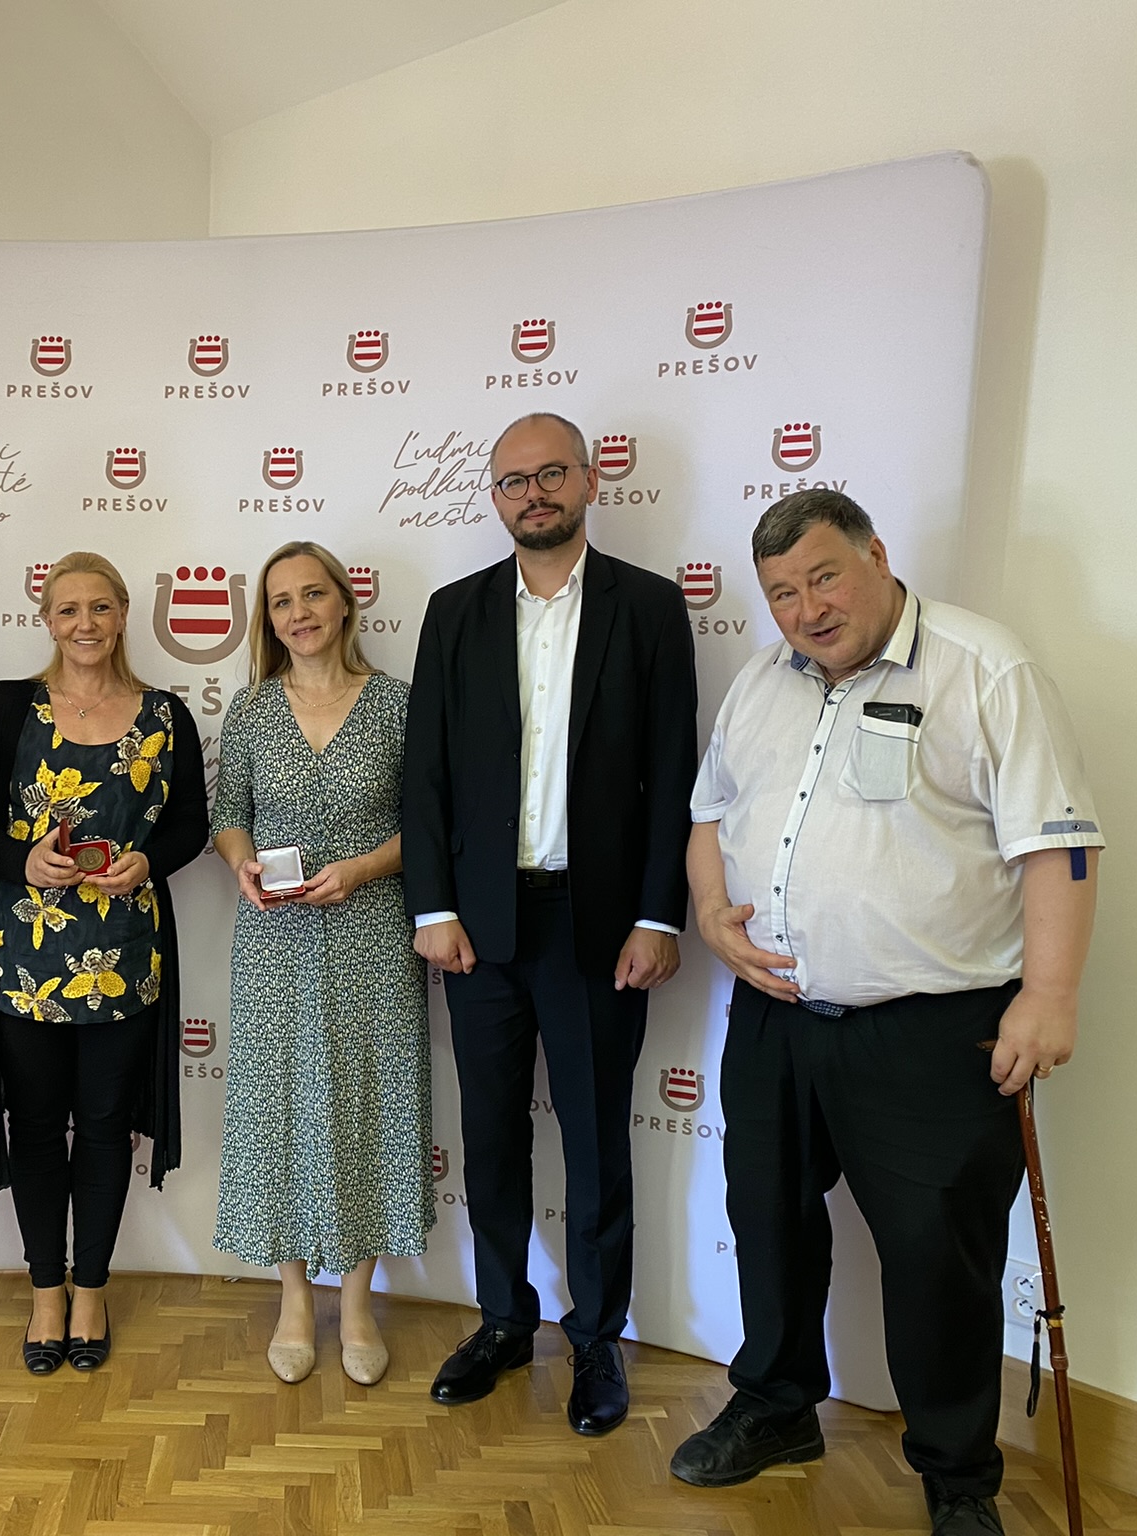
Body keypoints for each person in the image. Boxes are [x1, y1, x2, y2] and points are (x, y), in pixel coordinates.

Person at [672, 490, 1102, 1536]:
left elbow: (1057, 845)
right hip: (774, 1017)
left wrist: (1048, 995)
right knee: (767, 1222)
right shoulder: (760, 683)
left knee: (936, 1259)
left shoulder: (983, 668)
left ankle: (957, 1478)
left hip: (929, 1030)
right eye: (781, 593)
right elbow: (709, 812)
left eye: (823, 577)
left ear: (875, 555)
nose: (806, 610)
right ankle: (777, 1405)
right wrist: (712, 914)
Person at [401, 412, 698, 1435]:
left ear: (589, 480)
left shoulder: (648, 607)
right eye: (512, 481)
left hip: (599, 924)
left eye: (550, 475)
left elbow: (672, 772)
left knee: (595, 1139)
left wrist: (658, 915)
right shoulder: (454, 612)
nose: (533, 494)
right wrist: (434, 906)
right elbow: (427, 773)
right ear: (494, 497)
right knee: (488, 1135)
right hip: (479, 927)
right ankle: (500, 1319)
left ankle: (596, 1337)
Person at [0, 552, 207, 1375]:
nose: (84, 624)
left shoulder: (165, 715)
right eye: (67, 610)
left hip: (126, 958)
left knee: (102, 1126)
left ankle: (91, 1289)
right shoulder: (4, 709)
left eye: (99, 608)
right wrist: (20, 860)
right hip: (24, 958)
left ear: (123, 614)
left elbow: (190, 823)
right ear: (46, 620)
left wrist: (149, 860)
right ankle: (46, 1291)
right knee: (34, 1127)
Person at [209, 540, 431, 1386]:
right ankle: (296, 1300)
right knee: (279, 1111)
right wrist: (241, 863)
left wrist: (365, 869)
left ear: (344, 603)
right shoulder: (252, 710)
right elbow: (229, 815)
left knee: (371, 1105)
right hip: (275, 943)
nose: (298, 613)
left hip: (373, 936)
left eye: (312, 594)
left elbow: (429, 824)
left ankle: (360, 1302)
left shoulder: (398, 704)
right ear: (267, 621)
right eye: (280, 602)